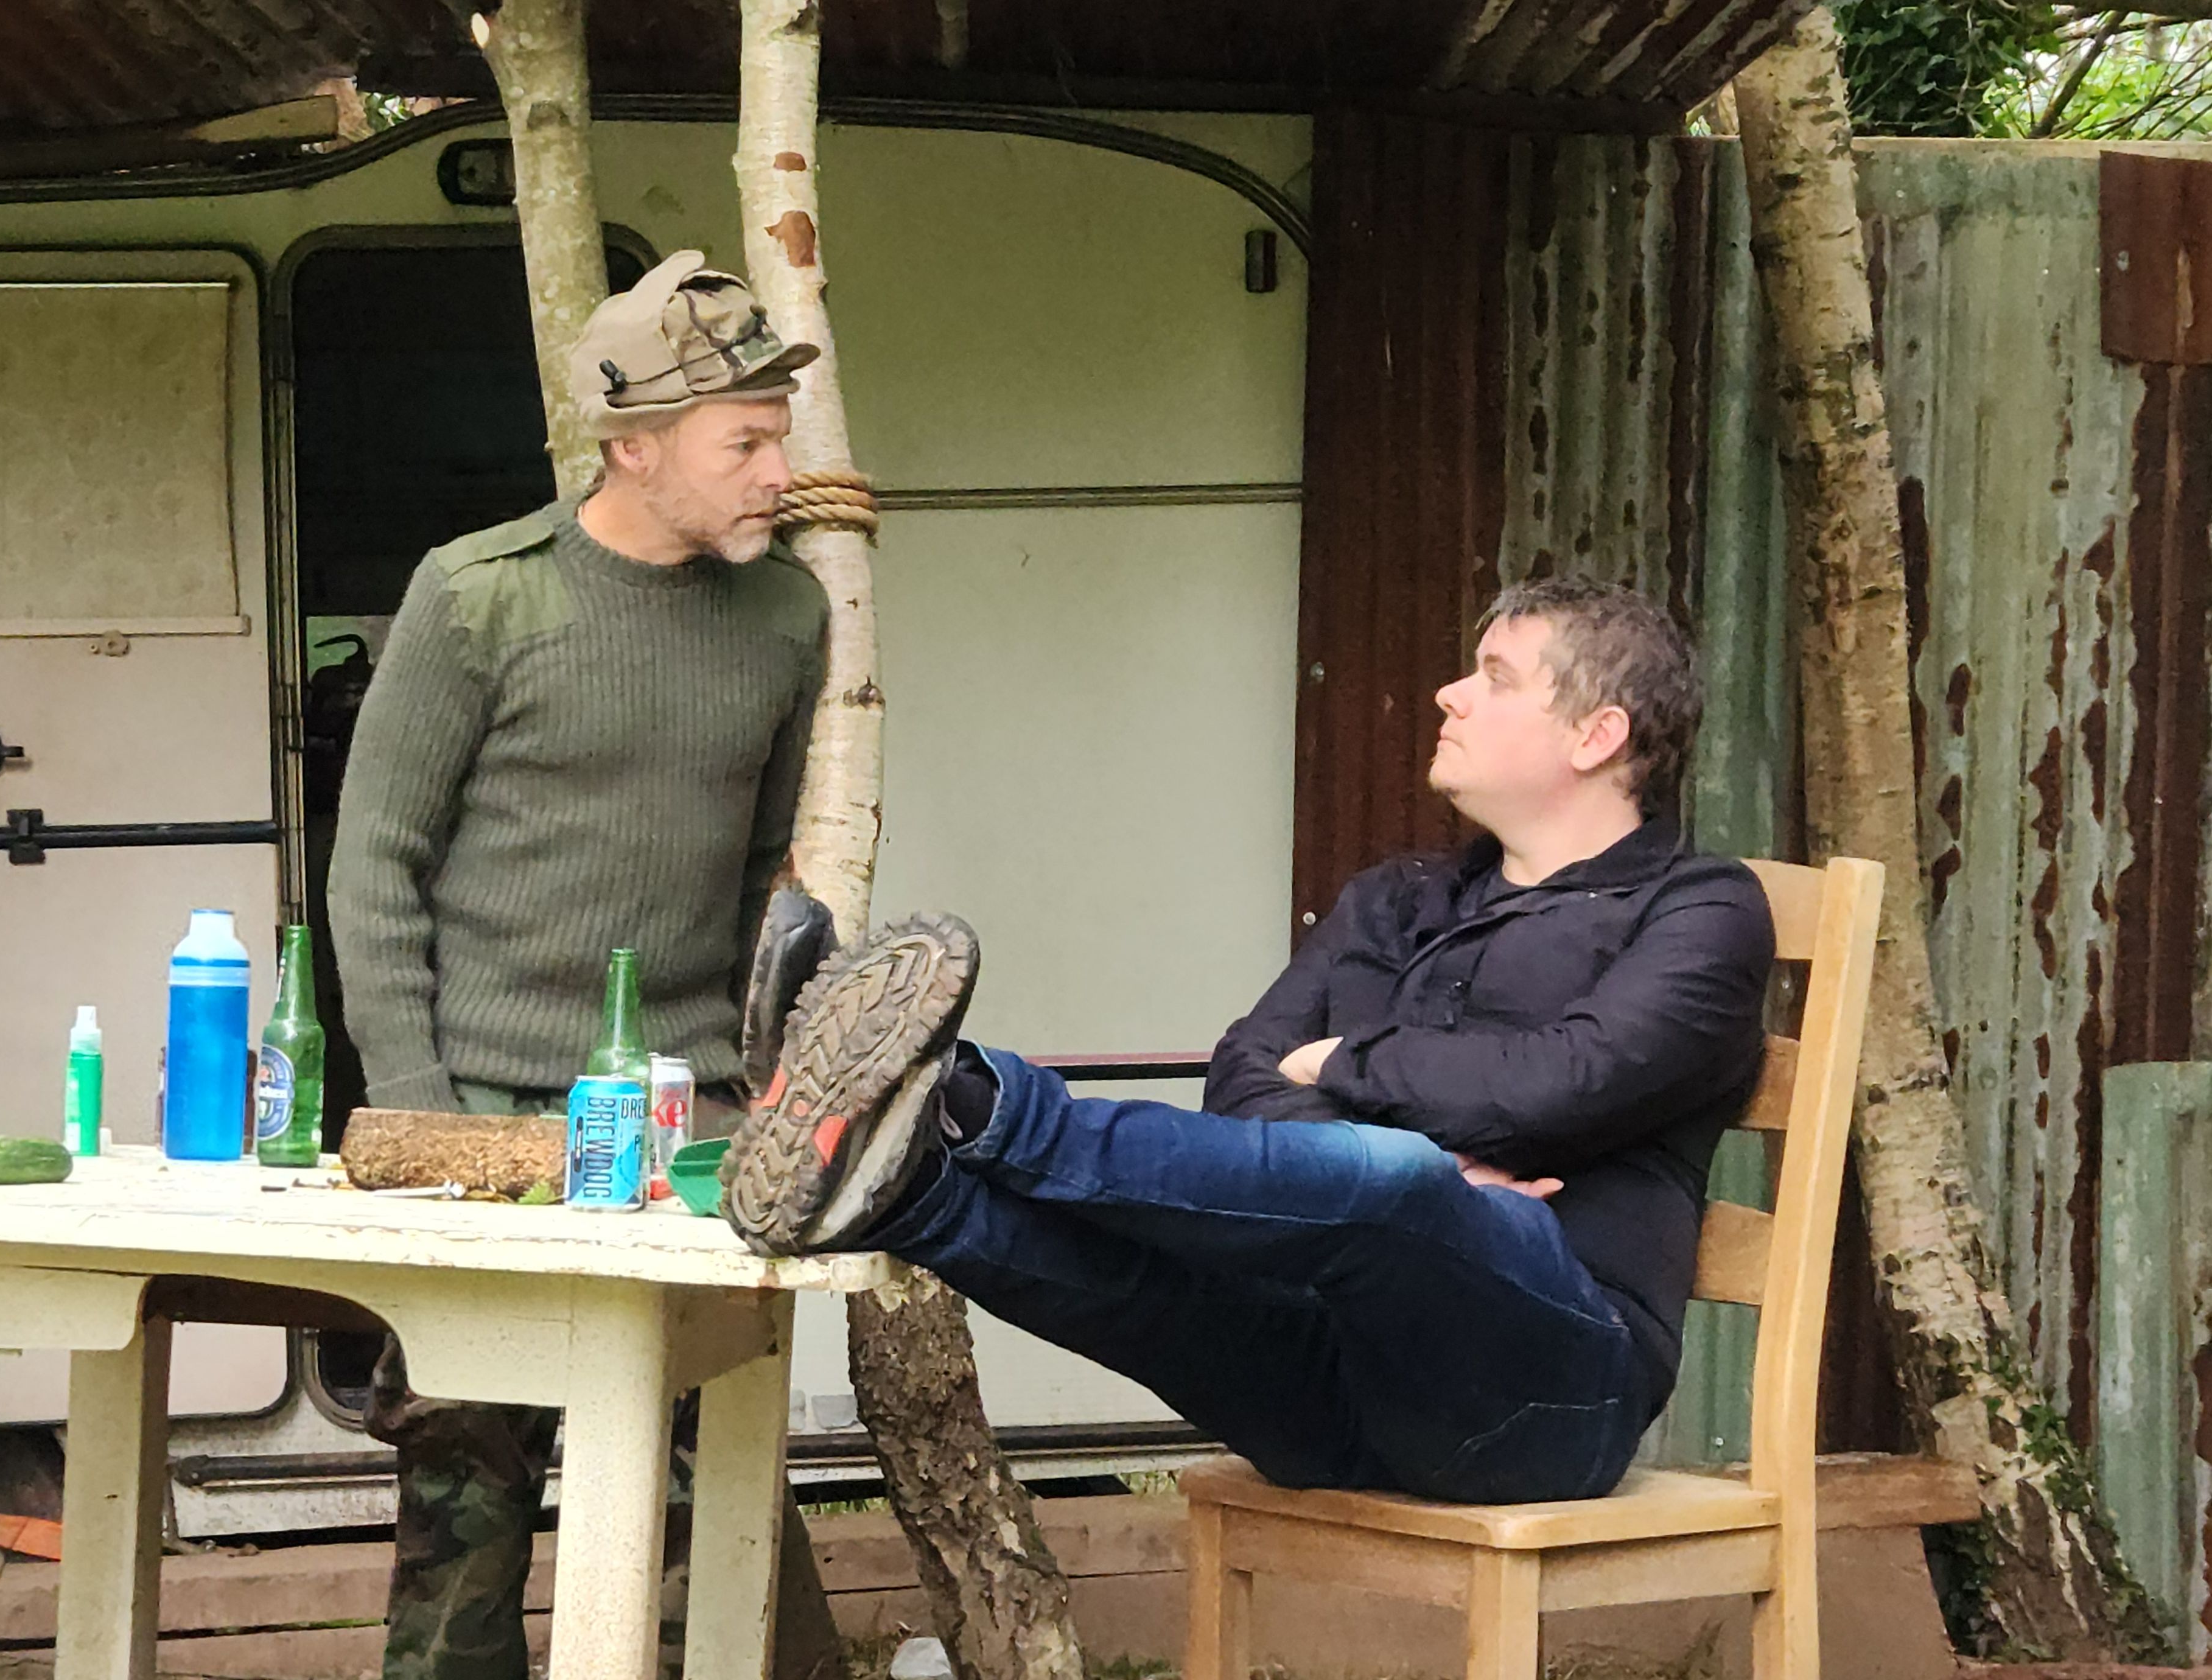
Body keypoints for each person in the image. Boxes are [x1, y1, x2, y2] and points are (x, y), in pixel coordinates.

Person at [722, 578, 1776, 1504]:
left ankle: (961, 1091)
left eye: (1496, 677)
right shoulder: (1396, 901)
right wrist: (1412, 1158)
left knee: (1398, 1180)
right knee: (1175, 1288)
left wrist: (1353, 1079)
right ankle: (903, 1186)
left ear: (1597, 737)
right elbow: (1243, 1080)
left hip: (1546, 1398)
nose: (1451, 693)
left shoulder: (1700, 912)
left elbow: (1559, 1083)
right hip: (1334, 1385)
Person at [329, 250, 842, 1680]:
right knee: (461, 1538)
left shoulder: (790, 617)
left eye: (778, 436)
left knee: (710, 1527)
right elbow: (376, 864)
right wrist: (424, 1118)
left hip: (692, 1141)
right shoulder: (478, 597)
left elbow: (760, 885)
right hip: (481, 1123)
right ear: (633, 447)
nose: (774, 469)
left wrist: (765, 1098)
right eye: (744, 441)